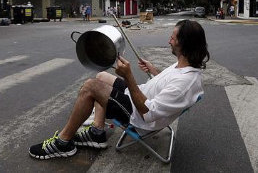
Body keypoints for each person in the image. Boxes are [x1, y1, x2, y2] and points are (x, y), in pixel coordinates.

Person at [29, 20, 209, 160]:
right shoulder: (184, 67)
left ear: (184, 44)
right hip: (139, 98)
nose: (169, 40)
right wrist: (153, 70)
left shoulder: (185, 82)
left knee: (90, 87)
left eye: (173, 37)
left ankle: (63, 143)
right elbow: (169, 85)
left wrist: (128, 76)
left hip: (139, 116)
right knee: (101, 76)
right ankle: (97, 132)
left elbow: (148, 113)